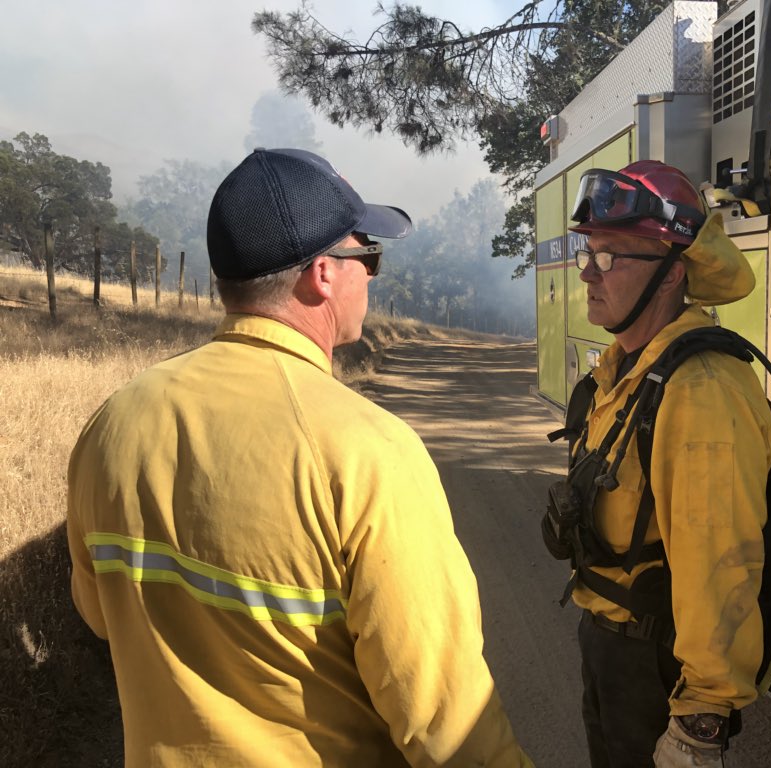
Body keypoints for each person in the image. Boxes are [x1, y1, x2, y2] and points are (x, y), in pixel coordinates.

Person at [67, 147, 532, 768]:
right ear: (323, 274)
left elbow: (100, 615)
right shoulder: (368, 451)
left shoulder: (113, 421)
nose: (373, 275)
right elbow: (447, 722)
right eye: (369, 256)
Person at [543, 160, 771, 768]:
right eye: (588, 254)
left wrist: (699, 723)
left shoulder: (700, 390)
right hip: (611, 651)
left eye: (608, 257)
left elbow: (720, 563)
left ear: (671, 274)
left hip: (657, 675)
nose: (588, 274)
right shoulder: (626, 370)